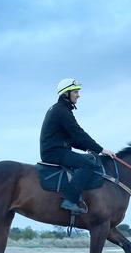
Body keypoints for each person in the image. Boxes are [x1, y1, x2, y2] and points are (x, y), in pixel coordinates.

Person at [40, 78, 115, 214]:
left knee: (89, 158)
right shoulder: (61, 111)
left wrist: (89, 149)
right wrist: (100, 149)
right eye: (75, 91)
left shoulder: (61, 109)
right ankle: (70, 200)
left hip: (57, 150)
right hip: (54, 152)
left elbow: (72, 138)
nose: (78, 95)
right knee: (88, 164)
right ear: (66, 94)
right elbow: (78, 133)